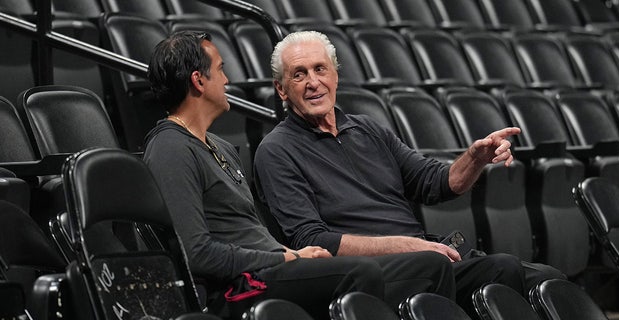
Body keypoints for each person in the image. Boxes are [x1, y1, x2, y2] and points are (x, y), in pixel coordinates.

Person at [143, 31, 456, 319]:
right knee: (359, 272)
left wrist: (293, 255)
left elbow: (251, 233)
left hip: (267, 268)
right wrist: (284, 259)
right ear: (199, 80)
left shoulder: (220, 147)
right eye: (221, 69)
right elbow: (196, 254)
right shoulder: (170, 147)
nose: (226, 80)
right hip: (237, 286)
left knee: (410, 267)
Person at [253, 30, 565, 316]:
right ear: (281, 89)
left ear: (335, 75)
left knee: (534, 275)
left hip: (423, 258)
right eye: (299, 75)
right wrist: (408, 245)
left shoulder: (368, 129)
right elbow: (313, 239)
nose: (313, 82)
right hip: (368, 272)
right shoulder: (276, 150)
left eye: (320, 69)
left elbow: (436, 183)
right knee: (439, 264)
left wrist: (474, 158)